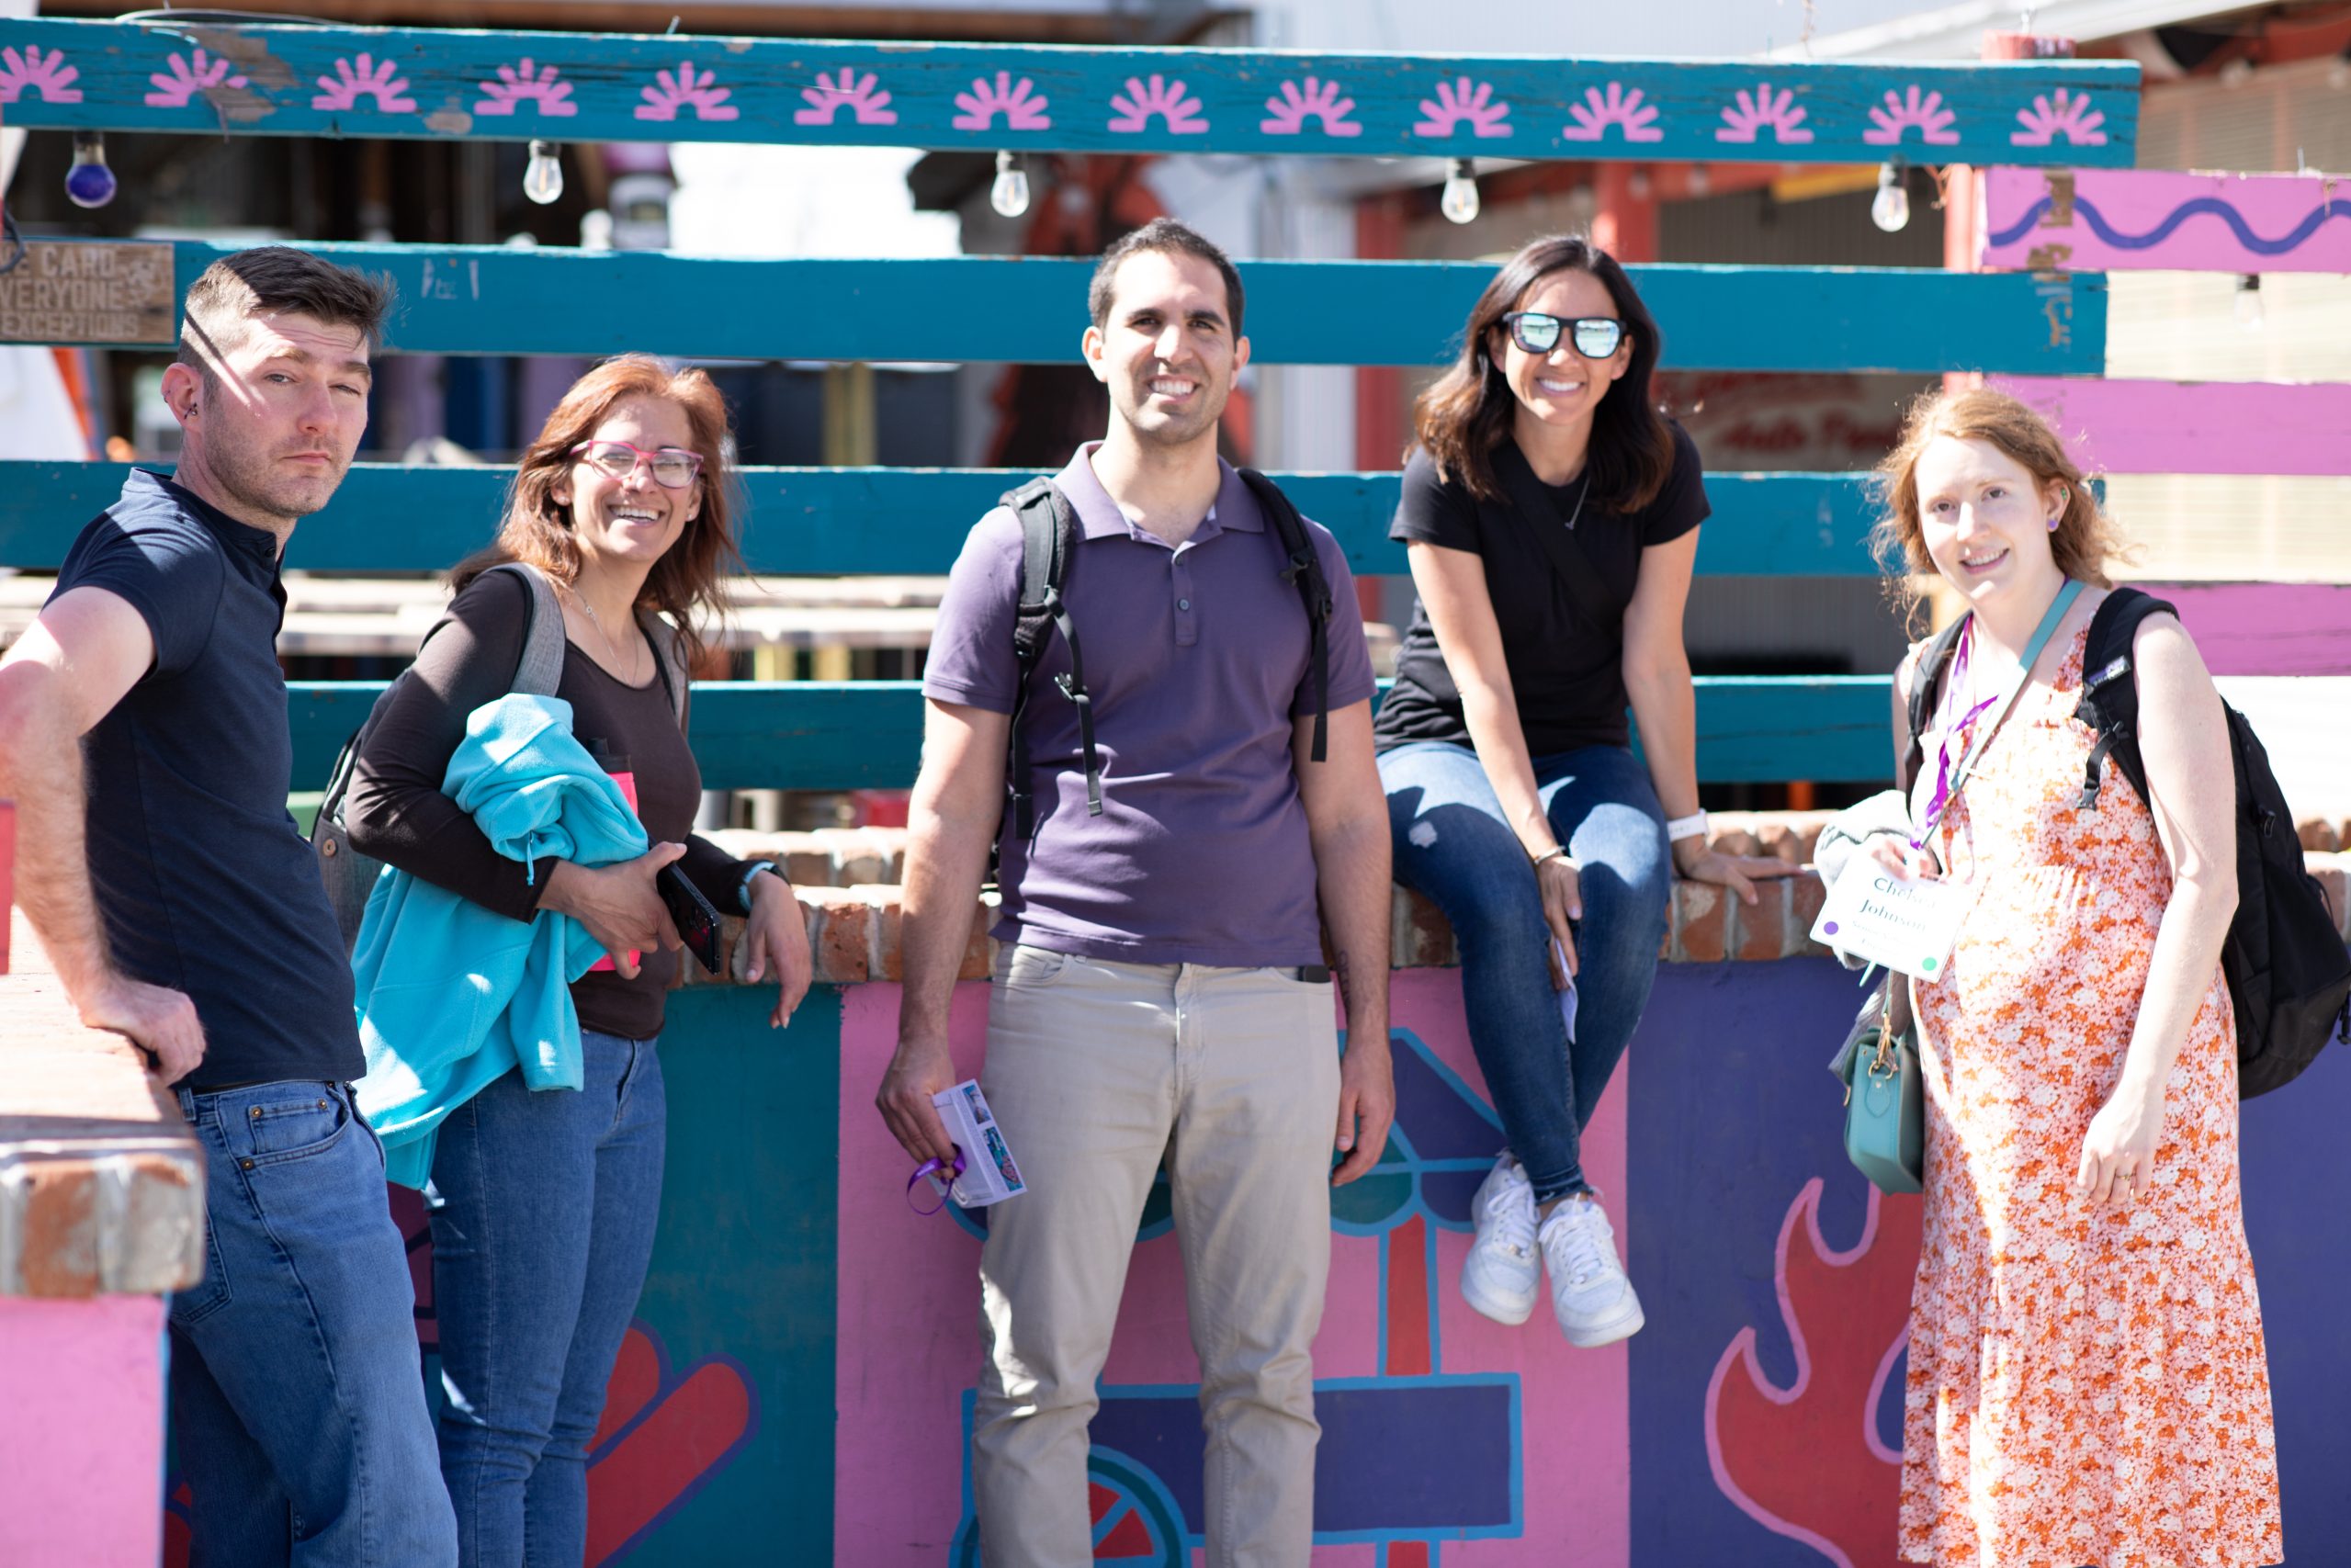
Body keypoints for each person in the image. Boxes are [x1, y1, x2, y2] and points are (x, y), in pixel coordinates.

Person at [876, 218, 1396, 1566]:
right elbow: (949, 803)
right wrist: (924, 1033)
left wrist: (1368, 1032)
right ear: (1097, 345)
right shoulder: (1016, 549)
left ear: (1239, 356)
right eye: (1148, 321)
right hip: (1072, 996)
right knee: (1038, 1379)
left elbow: (1347, 812)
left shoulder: (1302, 552)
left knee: (1270, 1381)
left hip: (1273, 1009)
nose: (1177, 348)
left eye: (1204, 324)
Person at [0, 248, 458, 1564]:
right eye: (277, 378)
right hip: (259, 1126)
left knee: (260, 1522)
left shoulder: (209, 559)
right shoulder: (171, 553)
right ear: (186, 398)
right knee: (391, 1530)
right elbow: (25, 706)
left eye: (348, 382)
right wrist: (93, 982)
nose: (321, 413)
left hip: (254, 1115)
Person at [342, 355, 813, 1566]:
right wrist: (557, 886)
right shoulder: (513, 612)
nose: (646, 480)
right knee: (499, 1430)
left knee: (561, 1428)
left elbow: (642, 833)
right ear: (561, 478)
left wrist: (752, 881)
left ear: (703, 494)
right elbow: (367, 794)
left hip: (627, 1072)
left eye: (676, 460)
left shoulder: (658, 648)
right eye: (619, 454)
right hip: (522, 1059)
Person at [1870, 387, 2279, 1567]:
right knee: (2014, 1377)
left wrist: (2139, 1091)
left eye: (1993, 493)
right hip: (1986, 1123)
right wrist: (1895, 858)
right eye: (1940, 506)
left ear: (2053, 499)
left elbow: (2207, 881)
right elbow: (1954, 861)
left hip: (2127, 1101)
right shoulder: (1926, 675)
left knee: (2141, 1374)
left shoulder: (2139, 646)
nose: (1968, 525)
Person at [1372, 234, 1791, 1347]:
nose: (1565, 352)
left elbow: (1655, 659)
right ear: (1497, 341)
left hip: (1585, 743)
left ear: (1622, 357)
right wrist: (1532, 839)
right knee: (1508, 892)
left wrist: (1690, 827)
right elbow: (1478, 681)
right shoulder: (1445, 464)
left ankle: (1521, 1182)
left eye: (1594, 332)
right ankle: (1567, 1201)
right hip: (1436, 742)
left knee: (1635, 884)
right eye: (1539, 327)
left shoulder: (1658, 464)